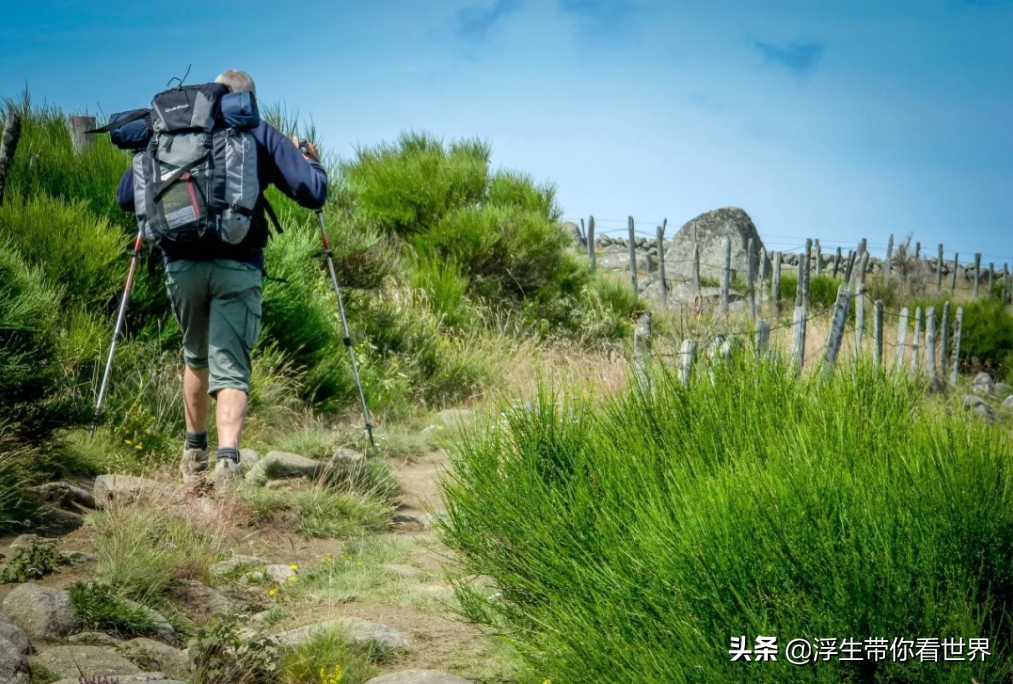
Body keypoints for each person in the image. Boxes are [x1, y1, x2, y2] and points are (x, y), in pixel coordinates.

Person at [115, 69, 327, 488]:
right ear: (247, 101)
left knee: (195, 356)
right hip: (237, 263)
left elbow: (126, 197)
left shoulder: (169, 133)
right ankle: (227, 463)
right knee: (230, 363)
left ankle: (193, 453)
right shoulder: (256, 132)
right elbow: (311, 191)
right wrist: (310, 159)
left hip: (180, 263)